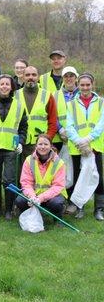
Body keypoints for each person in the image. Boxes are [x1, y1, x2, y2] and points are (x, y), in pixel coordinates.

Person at [0, 74, 28, 219]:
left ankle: (9, 209)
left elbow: (23, 127)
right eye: (1, 84)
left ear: (12, 87)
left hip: (11, 148)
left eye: (7, 84)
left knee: (9, 180)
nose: (4, 86)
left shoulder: (19, 106)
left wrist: (21, 142)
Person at [65, 73, 104, 220]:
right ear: (78, 85)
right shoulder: (71, 104)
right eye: (82, 85)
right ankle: (79, 207)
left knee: (98, 177)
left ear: (92, 84)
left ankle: (99, 209)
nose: (85, 87)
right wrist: (79, 142)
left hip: (95, 146)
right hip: (77, 147)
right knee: (78, 178)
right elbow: (69, 126)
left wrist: (88, 140)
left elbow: (101, 124)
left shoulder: (101, 102)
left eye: (88, 85)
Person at [15, 134, 66, 225]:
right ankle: (27, 217)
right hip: (34, 196)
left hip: (52, 196)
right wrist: (32, 197)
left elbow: (58, 186)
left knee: (56, 203)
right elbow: (26, 183)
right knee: (20, 200)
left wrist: (40, 198)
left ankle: (58, 218)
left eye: (46, 144)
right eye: (40, 144)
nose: (43, 147)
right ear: (36, 146)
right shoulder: (29, 160)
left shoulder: (59, 163)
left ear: (51, 146)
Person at [16, 66, 58, 159]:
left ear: (38, 77)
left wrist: (47, 141)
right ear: (23, 77)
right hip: (21, 144)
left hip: (41, 145)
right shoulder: (15, 95)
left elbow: (53, 122)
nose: (31, 77)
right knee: (21, 173)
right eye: (27, 75)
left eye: (34, 75)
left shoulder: (47, 95)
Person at [52, 66, 78, 151]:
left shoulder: (82, 94)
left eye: (71, 76)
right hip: (60, 139)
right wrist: (60, 129)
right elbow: (51, 114)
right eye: (66, 76)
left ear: (76, 78)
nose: (68, 78)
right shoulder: (54, 95)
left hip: (79, 137)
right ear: (62, 78)